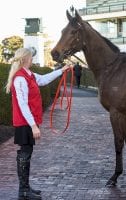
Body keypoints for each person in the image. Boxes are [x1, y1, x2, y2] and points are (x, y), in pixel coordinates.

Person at [5, 48, 72, 200]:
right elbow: (22, 104)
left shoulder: (29, 75)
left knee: (26, 152)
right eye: (30, 57)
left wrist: (62, 70)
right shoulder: (20, 78)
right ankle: (23, 190)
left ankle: (26, 187)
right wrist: (33, 126)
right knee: (24, 153)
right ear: (24, 59)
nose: (32, 60)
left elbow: (44, 79)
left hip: (29, 120)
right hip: (24, 122)